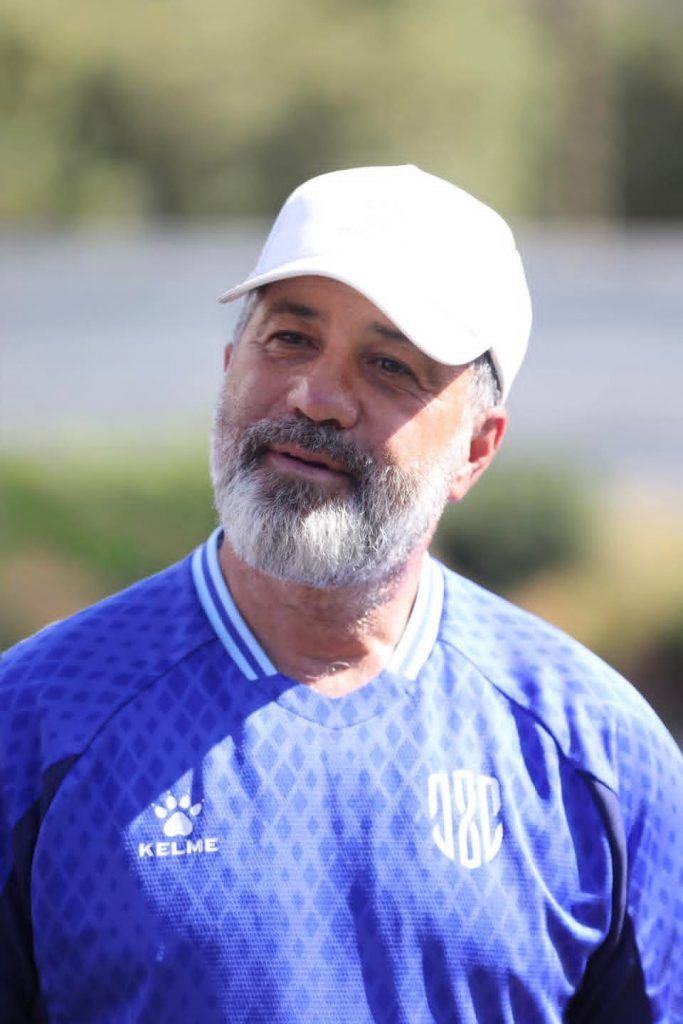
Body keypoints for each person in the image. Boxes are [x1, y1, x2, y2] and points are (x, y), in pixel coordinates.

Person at [1, 165, 681, 1024]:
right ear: (228, 366)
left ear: (476, 449)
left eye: (389, 364)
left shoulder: (597, 754)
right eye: (289, 338)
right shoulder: (35, 722)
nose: (317, 398)